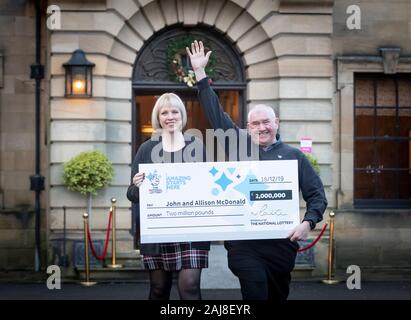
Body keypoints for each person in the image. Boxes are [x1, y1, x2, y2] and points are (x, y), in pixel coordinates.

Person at [186, 40, 328, 301]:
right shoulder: (237, 144)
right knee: (255, 292)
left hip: (280, 245)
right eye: (255, 123)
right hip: (244, 246)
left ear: (277, 123)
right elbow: (215, 113)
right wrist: (200, 73)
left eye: (266, 122)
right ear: (247, 127)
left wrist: (308, 222)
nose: (261, 128)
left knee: (276, 295)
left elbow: (316, 195)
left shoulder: (294, 156)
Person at [126, 92, 210, 300]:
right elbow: (131, 194)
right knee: (158, 289)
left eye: (174, 111)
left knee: (189, 287)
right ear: (158, 117)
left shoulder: (196, 146)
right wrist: (137, 185)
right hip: (158, 229)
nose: (170, 116)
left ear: (182, 115)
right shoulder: (147, 149)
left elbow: (208, 187)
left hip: (192, 229)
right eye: (164, 112)